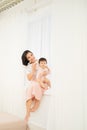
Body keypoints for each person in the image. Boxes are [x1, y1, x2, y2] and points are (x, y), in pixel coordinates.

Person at [21, 50, 44, 122]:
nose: (31, 57)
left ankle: (34, 107)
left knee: (33, 86)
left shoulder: (40, 62)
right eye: (29, 57)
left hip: (40, 81)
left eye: (31, 55)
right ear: (27, 60)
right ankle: (27, 113)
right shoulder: (28, 67)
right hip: (33, 82)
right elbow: (29, 78)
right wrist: (33, 70)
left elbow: (44, 71)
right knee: (30, 88)